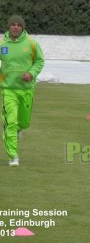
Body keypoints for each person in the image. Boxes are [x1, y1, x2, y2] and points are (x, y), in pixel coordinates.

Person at [0, 15, 44, 167]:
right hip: (7, 90)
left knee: (23, 122)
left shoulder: (31, 43)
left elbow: (39, 61)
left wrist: (31, 73)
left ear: (23, 27)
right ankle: (13, 156)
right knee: (10, 122)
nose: (16, 27)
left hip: (26, 90)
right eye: (13, 24)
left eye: (19, 25)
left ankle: (20, 128)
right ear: (9, 26)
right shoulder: (1, 43)